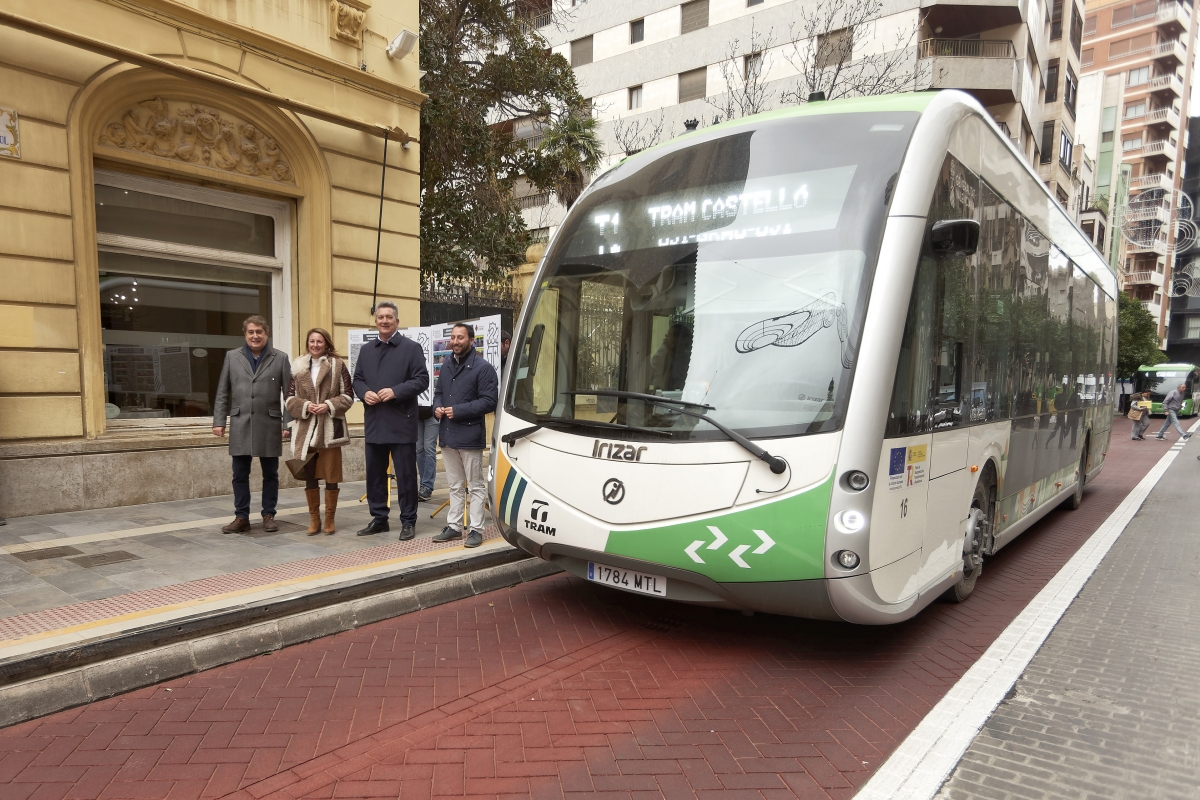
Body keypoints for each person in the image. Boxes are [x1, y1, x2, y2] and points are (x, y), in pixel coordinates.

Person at [353, 302, 430, 540]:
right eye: (380, 317)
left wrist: (395, 391)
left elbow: (422, 380)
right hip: (375, 420)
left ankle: (408, 521)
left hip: (401, 421)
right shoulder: (366, 350)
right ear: (375, 321)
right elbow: (357, 379)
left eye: (389, 317)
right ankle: (379, 519)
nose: (384, 321)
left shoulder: (411, 348)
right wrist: (363, 392)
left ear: (397, 321)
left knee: (406, 475)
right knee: (374, 474)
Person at [213, 315, 292, 533]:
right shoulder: (232, 357)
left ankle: (269, 514)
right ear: (245, 334)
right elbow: (222, 392)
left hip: (269, 423)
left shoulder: (280, 358)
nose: (255, 336)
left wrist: (288, 423)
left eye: (259, 332)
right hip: (240, 422)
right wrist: (219, 421)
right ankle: (241, 517)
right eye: (251, 332)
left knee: (271, 474)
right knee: (239, 473)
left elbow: (290, 395)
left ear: (267, 334)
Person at [431, 323, 499, 548]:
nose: (455, 341)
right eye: (453, 337)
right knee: (455, 485)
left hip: (469, 435)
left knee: (476, 485)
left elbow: (489, 401)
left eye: (460, 337)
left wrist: (458, 410)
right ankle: (454, 526)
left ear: (471, 340)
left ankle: (476, 529)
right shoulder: (447, 364)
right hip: (448, 435)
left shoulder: (483, 368)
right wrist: (437, 408)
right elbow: (439, 393)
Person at [285, 328, 354, 534]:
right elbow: (288, 399)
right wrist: (306, 406)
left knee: (331, 475)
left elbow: (349, 395)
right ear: (308, 344)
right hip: (306, 429)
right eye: (312, 341)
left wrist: (328, 405)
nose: (315, 345)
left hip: (330, 428)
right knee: (310, 474)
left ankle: (329, 519)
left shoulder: (337, 365)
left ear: (326, 344)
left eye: (319, 341)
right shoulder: (298, 366)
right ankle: (314, 519)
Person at [416, 403, 437, 502]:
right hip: (417, 414)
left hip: (433, 413)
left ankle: (427, 486)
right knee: (419, 449)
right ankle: (423, 485)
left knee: (429, 447)